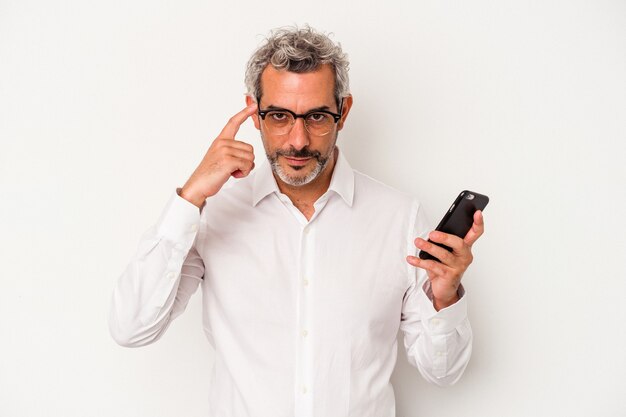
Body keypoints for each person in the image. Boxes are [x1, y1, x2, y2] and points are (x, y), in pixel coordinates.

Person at [108, 25, 485, 417]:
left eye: (317, 116)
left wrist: (444, 297)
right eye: (280, 116)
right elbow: (132, 328)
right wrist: (190, 198)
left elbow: (442, 372)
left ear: (344, 112)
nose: (298, 140)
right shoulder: (213, 213)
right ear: (254, 113)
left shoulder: (399, 217)